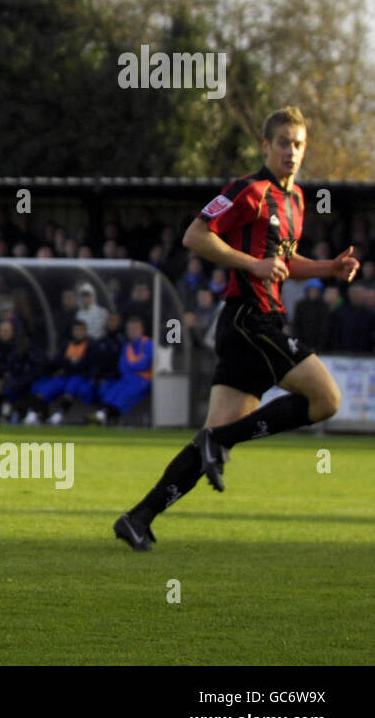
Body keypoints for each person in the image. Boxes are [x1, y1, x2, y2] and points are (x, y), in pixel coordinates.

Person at [115, 107, 361, 552]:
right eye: (284, 142)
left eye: (299, 144)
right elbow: (195, 235)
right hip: (249, 319)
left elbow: (284, 262)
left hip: (260, 323)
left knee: (210, 436)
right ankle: (221, 441)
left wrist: (329, 267)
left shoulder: (297, 201)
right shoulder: (248, 191)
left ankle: (138, 517)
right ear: (266, 146)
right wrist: (252, 264)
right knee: (327, 399)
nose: (292, 151)